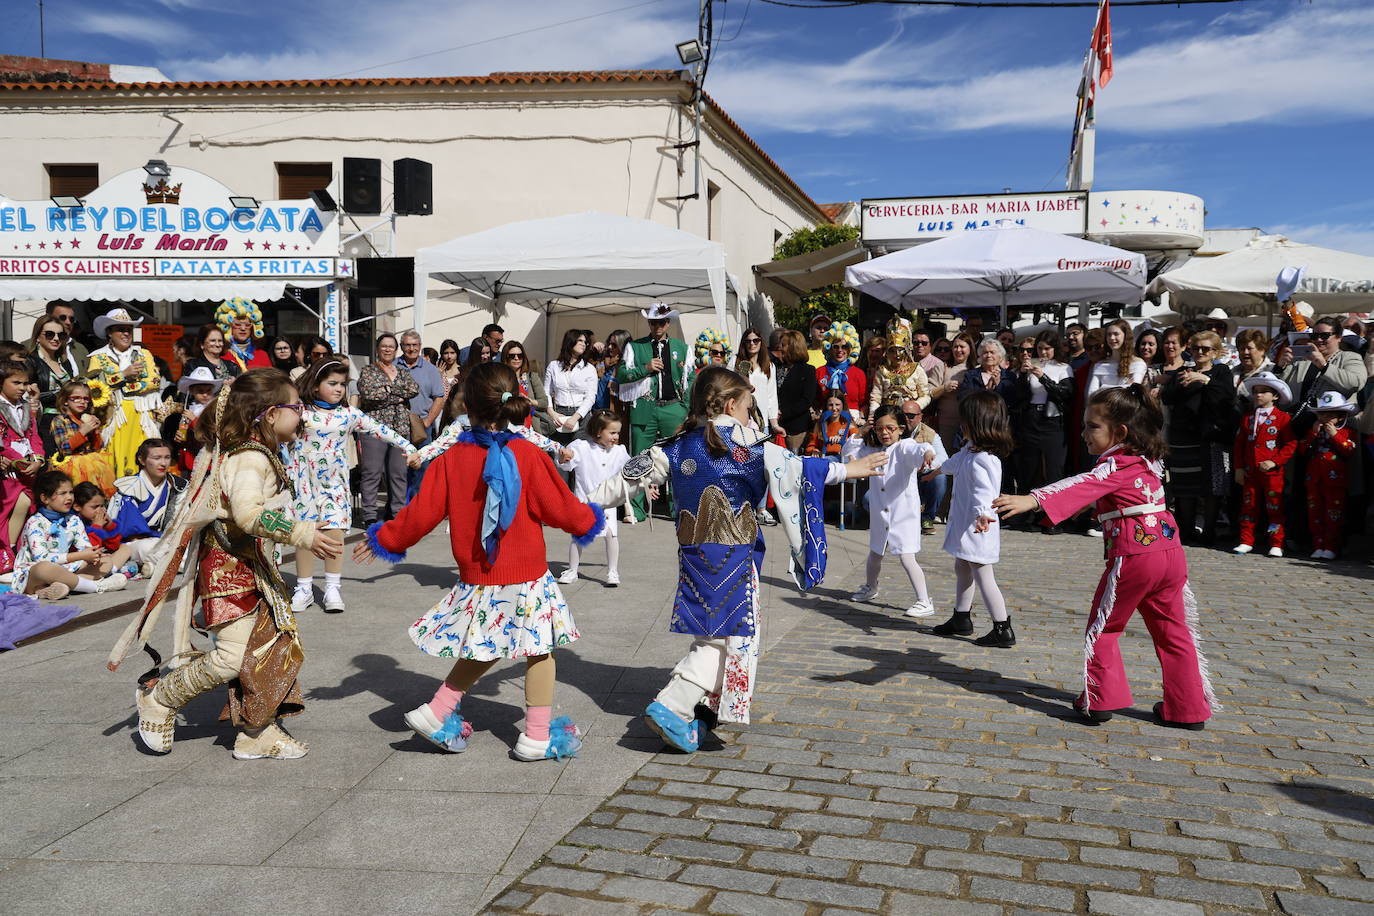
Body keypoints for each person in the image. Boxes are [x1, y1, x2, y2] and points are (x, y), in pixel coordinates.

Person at [590, 366, 886, 751]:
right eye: (748, 406)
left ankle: (697, 713)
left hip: (695, 554)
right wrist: (850, 468)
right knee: (729, 638)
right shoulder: (754, 448)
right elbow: (799, 469)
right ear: (731, 404)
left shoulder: (674, 447)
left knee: (714, 632)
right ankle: (673, 704)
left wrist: (569, 505)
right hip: (736, 556)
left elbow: (619, 483)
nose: (751, 415)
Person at [356, 361, 600, 760]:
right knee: (539, 650)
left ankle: (437, 711)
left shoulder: (452, 458)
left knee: (482, 645)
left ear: (466, 404)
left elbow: (421, 513)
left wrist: (386, 536)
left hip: (478, 572)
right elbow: (561, 509)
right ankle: (535, 737)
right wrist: (590, 518)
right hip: (527, 573)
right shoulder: (529, 452)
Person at [116, 368, 343, 760]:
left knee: (270, 648)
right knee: (235, 655)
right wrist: (303, 534)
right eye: (296, 406)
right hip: (229, 571)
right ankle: (160, 697)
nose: (302, 414)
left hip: (252, 568)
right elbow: (248, 513)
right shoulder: (251, 457)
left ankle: (257, 732)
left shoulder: (259, 450)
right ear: (271, 414)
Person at [995, 385, 1217, 729]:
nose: (1084, 433)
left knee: (1104, 628)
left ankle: (1098, 702)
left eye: (1091, 426)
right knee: (1174, 633)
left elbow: (1084, 482)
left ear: (1121, 432)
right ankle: (1188, 709)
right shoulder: (1148, 459)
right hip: (1170, 554)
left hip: (1135, 555)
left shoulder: (1115, 464)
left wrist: (1033, 499)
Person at [289, 358, 417, 613]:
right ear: (315, 386)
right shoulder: (300, 412)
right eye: (332, 383)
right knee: (304, 534)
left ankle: (332, 588)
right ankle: (303, 588)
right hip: (303, 482)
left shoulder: (349, 414)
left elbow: (381, 430)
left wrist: (410, 447)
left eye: (343, 384)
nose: (339, 389)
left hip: (334, 484)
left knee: (335, 532)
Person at [929, 391, 1015, 648]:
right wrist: (938, 470)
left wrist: (984, 516)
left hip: (979, 526)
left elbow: (986, 492)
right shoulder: (969, 451)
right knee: (962, 567)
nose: (960, 424)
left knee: (983, 574)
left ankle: (1002, 628)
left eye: (964, 420)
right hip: (967, 524)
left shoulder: (984, 460)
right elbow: (955, 463)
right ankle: (961, 617)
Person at [845, 404, 937, 619]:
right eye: (879, 429)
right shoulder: (873, 451)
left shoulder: (904, 447)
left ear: (901, 429)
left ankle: (924, 600)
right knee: (875, 553)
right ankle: (871, 587)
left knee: (907, 556)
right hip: (880, 512)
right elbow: (849, 452)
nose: (884, 433)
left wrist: (929, 452)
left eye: (890, 428)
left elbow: (919, 449)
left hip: (903, 513)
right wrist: (861, 431)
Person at [618, 303, 694, 521]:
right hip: (644, 409)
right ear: (649, 323)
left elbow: (689, 380)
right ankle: (636, 510)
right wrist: (646, 369)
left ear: (668, 323)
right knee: (639, 458)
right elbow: (622, 375)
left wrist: (685, 409)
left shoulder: (682, 347)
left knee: (677, 459)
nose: (657, 326)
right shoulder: (635, 346)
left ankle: (678, 509)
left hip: (673, 408)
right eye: (653, 322)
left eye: (661, 322)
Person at [1162, 331, 1235, 545]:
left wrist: (1206, 380)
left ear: (1215, 352)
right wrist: (1182, 383)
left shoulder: (1221, 371)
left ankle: (1209, 531)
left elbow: (1226, 397)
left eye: (1206, 349)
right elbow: (1168, 397)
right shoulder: (1183, 371)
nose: (1200, 352)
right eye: (1196, 348)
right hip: (1183, 437)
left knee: (1213, 486)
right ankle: (1186, 530)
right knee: (1185, 487)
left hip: (1212, 436)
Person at [12, 469, 128, 598]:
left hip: (66, 569)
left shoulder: (73, 520)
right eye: (62, 493)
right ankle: (95, 587)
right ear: (45, 498)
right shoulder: (34, 522)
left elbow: (85, 547)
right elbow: (41, 557)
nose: (69, 497)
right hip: (35, 573)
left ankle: (61, 586)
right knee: (44, 568)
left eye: (71, 492)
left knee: (105, 561)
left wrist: (93, 554)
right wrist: (79, 556)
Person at [86, 308, 163, 478]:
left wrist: (124, 387)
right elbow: (94, 387)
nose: (126, 333)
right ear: (109, 333)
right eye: (120, 329)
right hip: (114, 417)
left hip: (141, 415)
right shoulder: (98, 357)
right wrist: (124, 375)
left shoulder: (144, 353)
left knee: (144, 458)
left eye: (128, 329)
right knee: (113, 460)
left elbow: (154, 381)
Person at [556, 409, 628, 587]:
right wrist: (565, 458)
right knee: (578, 535)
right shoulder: (581, 447)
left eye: (618, 432)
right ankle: (572, 570)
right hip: (584, 501)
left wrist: (647, 483)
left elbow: (631, 470)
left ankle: (612, 570)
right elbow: (566, 464)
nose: (616, 436)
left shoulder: (619, 452)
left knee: (611, 534)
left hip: (607, 502)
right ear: (598, 431)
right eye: (612, 432)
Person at [1011, 332, 1074, 532]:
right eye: (1039, 348)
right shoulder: (1030, 366)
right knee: (1029, 469)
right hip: (1031, 419)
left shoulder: (1063, 368)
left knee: (1054, 470)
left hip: (1053, 422)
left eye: (1047, 348)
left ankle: (1054, 518)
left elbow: (1065, 393)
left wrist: (1043, 377)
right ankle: (1026, 517)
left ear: (1055, 348)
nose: (1043, 352)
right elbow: (1019, 396)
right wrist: (1022, 375)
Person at [356, 333, 419, 527]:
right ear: (377, 349)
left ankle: (397, 512)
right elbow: (368, 393)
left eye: (391, 346)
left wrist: (386, 391)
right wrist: (397, 394)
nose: (387, 349)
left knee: (398, 473)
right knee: (372, 472)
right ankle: (369, 514)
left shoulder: (402, 372)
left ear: (396, 349)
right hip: (374, 429)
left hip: (400, 428)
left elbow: (414, 389)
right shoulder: (368, 371)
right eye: (384, 346)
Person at [1232, 372, 1296, 558]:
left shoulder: (1283, 418)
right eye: (1256, 391)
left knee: (1275, 507)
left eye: (1264, 391)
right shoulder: (1247, 418)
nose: (1258, 395)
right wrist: (1238, 468)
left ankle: (1276, 542)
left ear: (1275, 396)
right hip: (1250, 472)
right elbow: (1239, 444)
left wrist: (1274, 461)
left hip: (1272, 473)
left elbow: (1290, 444)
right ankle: (1246, 540)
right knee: (1248, 506)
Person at [108, 438, 188, 568]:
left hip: (168, 539)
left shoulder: (177, 485)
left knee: (190, 548)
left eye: (167, 457)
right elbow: (131, 533)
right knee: (160, 551)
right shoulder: (128, 488)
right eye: (157, 458)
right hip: (136, 543)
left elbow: (181, 521)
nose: (163, 463)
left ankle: (152, 568)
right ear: (142, 460)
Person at [1302, 391, 1358, 560]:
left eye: (1330, 414)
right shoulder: (1313, 430)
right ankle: (1318, 545)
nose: (1325, 417)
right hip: (1314, 479)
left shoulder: (1347, 432)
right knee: (1315, 514)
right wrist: (1312, 433)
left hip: (1335, 481)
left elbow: (1349, 450)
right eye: (1322, 413)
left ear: (1340, 417)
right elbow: (1302, 450)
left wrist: (1335, 435)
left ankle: (1331, 547)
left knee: (1333, 515)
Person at [0, 359, 42, 573]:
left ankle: (16, 550)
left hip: (27, 466)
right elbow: (2, 441)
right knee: (12, 507)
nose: (22, 388)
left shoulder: (25, 406)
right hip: (7, 469)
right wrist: (16, 459)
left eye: (25, 384)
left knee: (28, 505)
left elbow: (34, 435)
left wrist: (38, 459)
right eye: (16, 383)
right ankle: (8, 551)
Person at [48, 380, 115, 495]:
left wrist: (95, 432)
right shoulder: (60, 420)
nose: (82, 402)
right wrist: (83, 431)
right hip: (72, 466)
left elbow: (98, 447)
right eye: (76, 398)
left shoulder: (86, 418)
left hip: (93, 465)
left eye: (85, 399)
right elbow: (64, 449)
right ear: (65, 401)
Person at [161, 367, 224, 474]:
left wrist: (194, 420)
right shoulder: (191, 408)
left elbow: (212, 433)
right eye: (200, 391)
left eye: (208, 391)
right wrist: (182, 438)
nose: (205, 395)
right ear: (192, 391)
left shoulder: (216, 410)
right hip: (189, 458)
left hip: (207, 460)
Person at [543, 329, 599, 447]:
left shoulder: (589, 369)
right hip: (558, 415)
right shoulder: (554, 366)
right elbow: (546, 392)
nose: (584, 344)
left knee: (580, 455)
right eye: (580, 340)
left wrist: (575, 417)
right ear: (570, 341)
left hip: (581, 415)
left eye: (585, 342)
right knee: (558, 454)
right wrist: (552, 413)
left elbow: (591, 397)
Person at [26, 314, 82, 431]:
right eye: (49, 334)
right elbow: (29, 396)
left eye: (61, 335)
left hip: (70, 421)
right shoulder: (30, 361)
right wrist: (62, 393)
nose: (56, 339)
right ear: (37, 336)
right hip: (45, 423)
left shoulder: (65, 361)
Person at [902, 399, 948, 536]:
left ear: (919, 417)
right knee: (868, 501)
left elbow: (943, 458)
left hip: (921, 476)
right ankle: (903, 518)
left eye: (910, 416)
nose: (906, 419)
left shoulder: (930, 433)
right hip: (899, 477)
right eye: (902, 415)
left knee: (940, 478)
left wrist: (924, 467)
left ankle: (927, 518)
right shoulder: (893, 429)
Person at [72, 482, 133, 576]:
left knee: (125, 548)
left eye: (102, 506)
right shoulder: (74, 523)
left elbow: (113, 547)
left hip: (99, 560)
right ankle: (107, 572)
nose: (100, 510)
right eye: (95, 507)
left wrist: (109, 526)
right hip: (81, 562)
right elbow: (89, 550)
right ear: (77, 507)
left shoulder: (95, 520)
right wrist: (96, 527)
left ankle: (108, 571)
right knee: (106, 560)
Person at [932, 332, 977, 453]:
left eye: (962, 347)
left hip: (969, 422)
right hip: (946, 421)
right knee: (947, 456)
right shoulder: (942, 367)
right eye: (955, 346)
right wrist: (944, 388)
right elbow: (930, 393)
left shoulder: (976, 369)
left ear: (970, 349)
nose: (958, 350)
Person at [775, 329, 819, 454]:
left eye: (783, 345)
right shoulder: (777, 368)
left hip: (796, 429)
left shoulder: (807, 371)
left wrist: (783, 413)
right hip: (777, 427)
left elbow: (806, 400)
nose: (780, 348)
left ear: (793, 346)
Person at [816, 321, 867, 424]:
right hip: (825, 421)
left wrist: (860, 418)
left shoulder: (858, 373)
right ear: (830, 348)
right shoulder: (820, 372)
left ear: (850, 349)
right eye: (835, 346)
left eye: (844, 346)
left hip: (852, 421)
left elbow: (864, 401)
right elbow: (816, 400)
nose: (840, 350)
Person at [1087, 319, 1147, 402]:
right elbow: (1091, 394)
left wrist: (1103, 388)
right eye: (1109, 335)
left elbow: (1132, 393)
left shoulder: (1138, 363)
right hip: (1102, 411)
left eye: (1116, 334)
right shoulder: (1100, 365)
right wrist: (1123, 387)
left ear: (1125, 336)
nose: (1112, 338)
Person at [868, 336, 930, 415]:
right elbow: (876, 398)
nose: (896, 354)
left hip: (909, 415)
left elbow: (925, 396)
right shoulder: (882, 371)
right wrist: (873, 415)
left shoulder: (917, 370)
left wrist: (913, 408)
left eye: (900, 350)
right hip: (888, 414)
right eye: (892, 351)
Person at [736, 327, 780, 437]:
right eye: (748, 341)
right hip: (740, 421)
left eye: (755, 340)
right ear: (744, 343)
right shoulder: (735, 362)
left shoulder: (769, 366)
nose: (752, 344)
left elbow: (772, 397)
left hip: (762, 422)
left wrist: (775, 425)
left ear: (761, 342)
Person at [215, 299, 273, 372]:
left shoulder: (262, 355)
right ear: (228, 326)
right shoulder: (221, 353)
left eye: (248, 325)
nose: (243, 328)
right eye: (237, 324)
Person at [1232, 329, 1273, 413]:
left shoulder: (1273, 372)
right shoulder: (1232, 372)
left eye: (1249, 348)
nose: (1245, 352)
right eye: (1242, 349)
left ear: (1262, 350)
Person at [806, 394, 855, 459]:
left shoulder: (849, 424)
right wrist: (814, 451)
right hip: (824, 457)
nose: (834, 408)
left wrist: (843, 442)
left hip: (842, 459)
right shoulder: (820, 424)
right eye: (830, 405)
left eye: (837, 405)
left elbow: (856, 445)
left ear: (843, 406)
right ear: (826, 406)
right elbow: (811, 446)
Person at [46, 303, 91, 367]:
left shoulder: (80, 349)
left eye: (71, 319)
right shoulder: (30, 348)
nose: (68, 322)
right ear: (48, 317)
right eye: (62, 317)